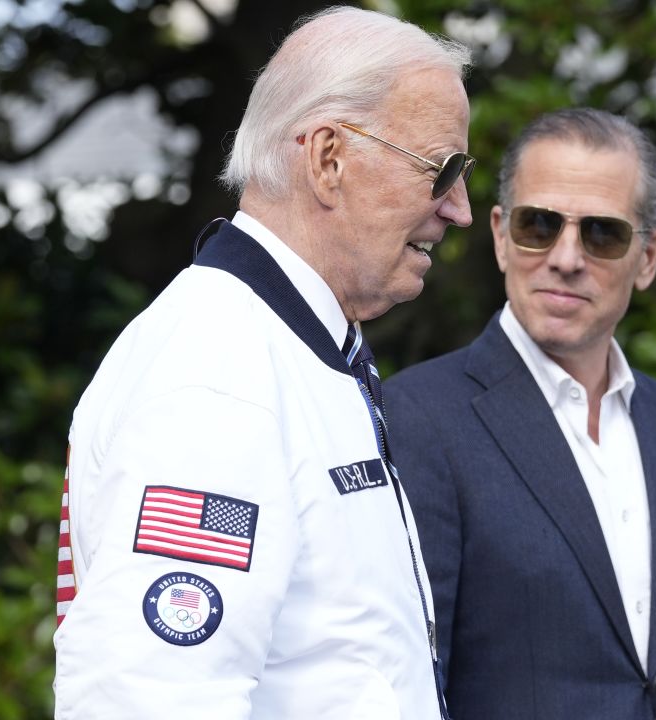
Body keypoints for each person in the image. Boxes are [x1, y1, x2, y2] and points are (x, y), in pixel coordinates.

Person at [52, 7, 474, 718]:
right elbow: (151, 699)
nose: (459, 208)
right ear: (329, 159)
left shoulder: (285, 346)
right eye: (443, 170)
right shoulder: (220, 375)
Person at [385, 108, 656, 719]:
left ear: (649, 257)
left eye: (602, 234)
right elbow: (406, 684)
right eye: (538, 225)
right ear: (500, 236)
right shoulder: (418, 418)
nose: (566, 257)